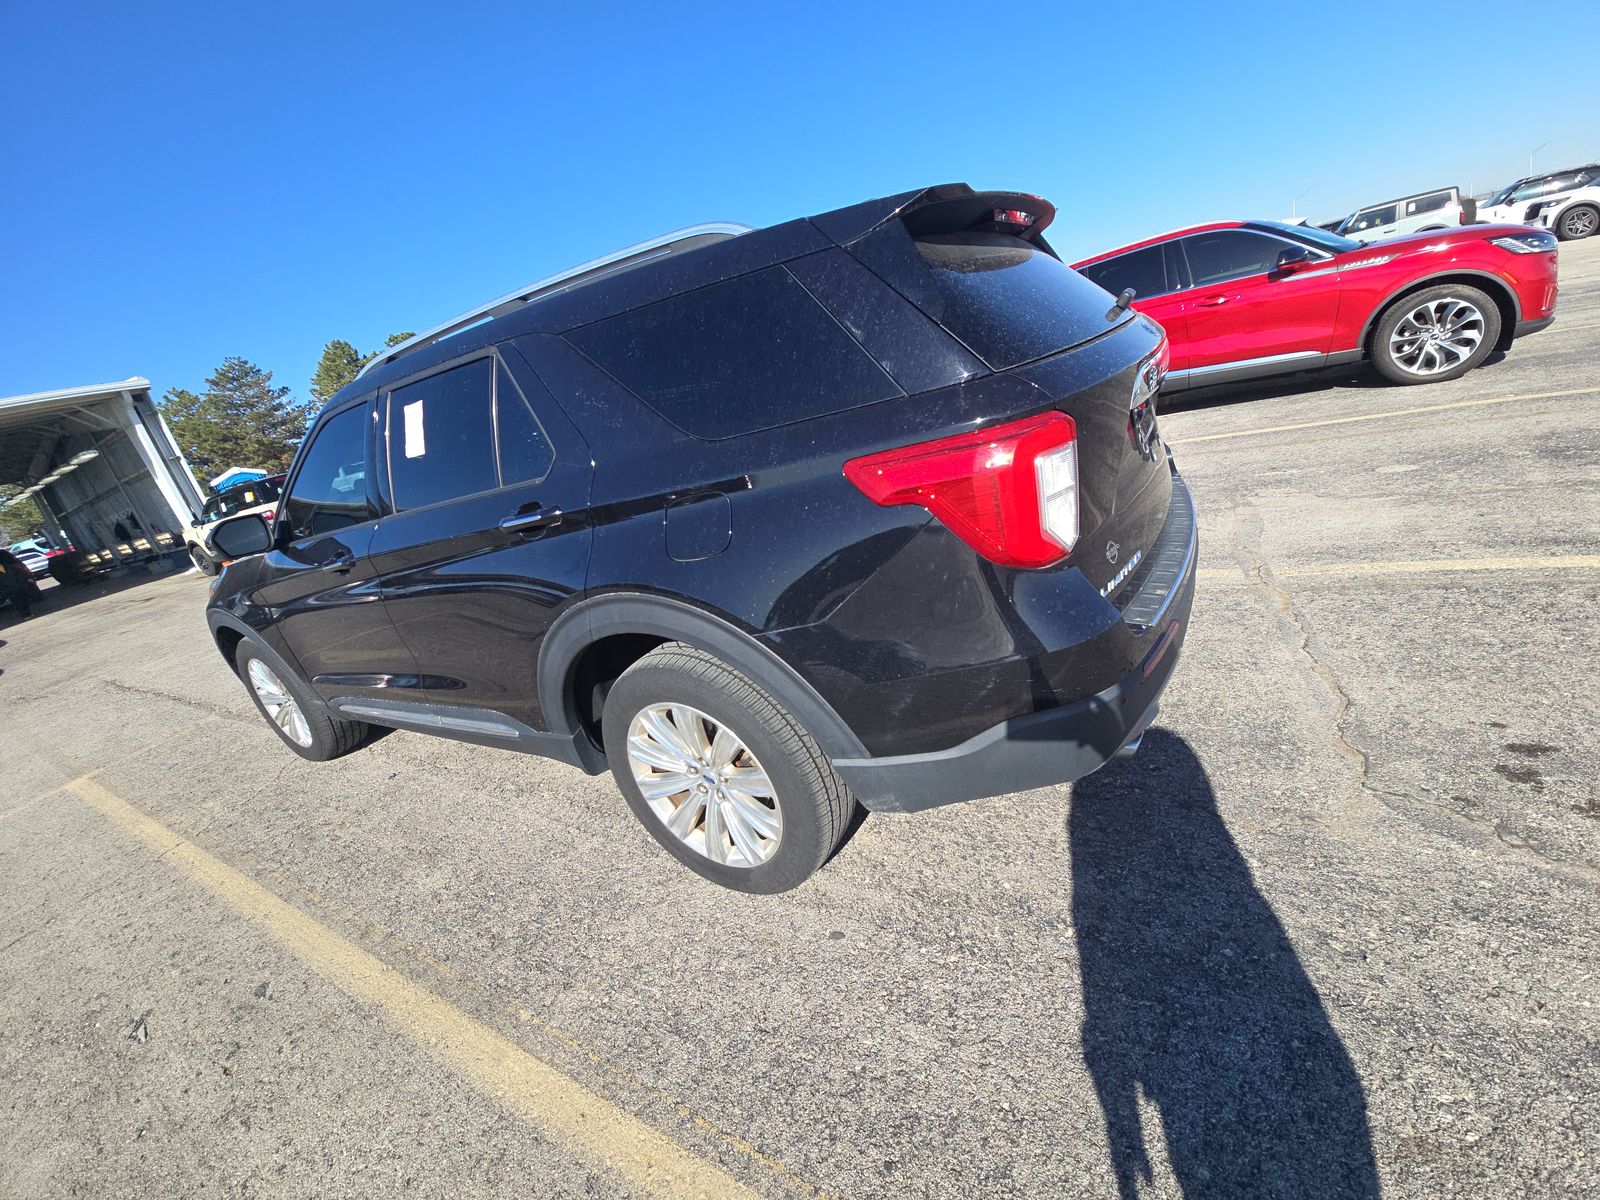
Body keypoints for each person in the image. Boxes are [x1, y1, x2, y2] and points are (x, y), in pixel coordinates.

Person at [0, 548, 38, 618]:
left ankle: (26, 614)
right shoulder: (13, 566)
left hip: (13, 586)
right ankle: (26, 614)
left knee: (19, 600)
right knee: (19, 600)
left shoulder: (11, 566)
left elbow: (21, 573)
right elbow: (21, 572)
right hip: (12, 587)